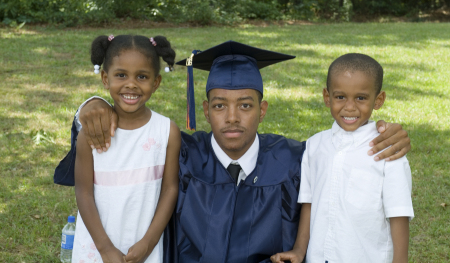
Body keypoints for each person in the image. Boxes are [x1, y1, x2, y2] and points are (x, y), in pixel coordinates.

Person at [55, 41, 411, 263]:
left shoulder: (293, 158)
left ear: (263, 110)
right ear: (205, 110)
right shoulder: (183, 154)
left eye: (245, 105)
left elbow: (341, 152)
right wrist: (92, 104)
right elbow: (123, 139)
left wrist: (383, 132)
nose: (232, 118)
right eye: (220, 106)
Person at [270, 53, 414, 263]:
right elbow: (309, 202)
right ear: (327, 97)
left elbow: (398, 214)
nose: (349, 107)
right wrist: (300, 250)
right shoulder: (314, 145)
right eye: (340, 97)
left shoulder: (388, 151)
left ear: (378, 100)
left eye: (361, 98)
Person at [71, 34, 181, 263]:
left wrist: (149, 242)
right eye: (121, 75)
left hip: (145, 247)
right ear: (105, 78)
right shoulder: (90, 134)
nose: (131, 84)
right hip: (96, 246)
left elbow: (170, 189)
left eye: (142, 76)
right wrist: (104, 249)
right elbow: (83, 192)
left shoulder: (166, 131)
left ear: (156, 82)